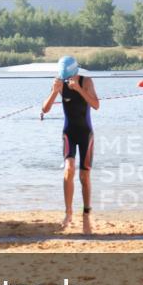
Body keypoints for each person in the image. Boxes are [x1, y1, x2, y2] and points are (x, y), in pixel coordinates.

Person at [41, 55, 100, 234]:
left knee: (84, 176)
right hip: (69, 133)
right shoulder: (59, 83)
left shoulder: (87, 81)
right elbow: (44, 109)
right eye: (64, 77)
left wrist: (80, 89)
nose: (67, 80)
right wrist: (54, 92)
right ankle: (68, 213)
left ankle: (86, 214)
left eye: (68, 77)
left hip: (85, 134)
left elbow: (96, 105)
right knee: (68, 169)